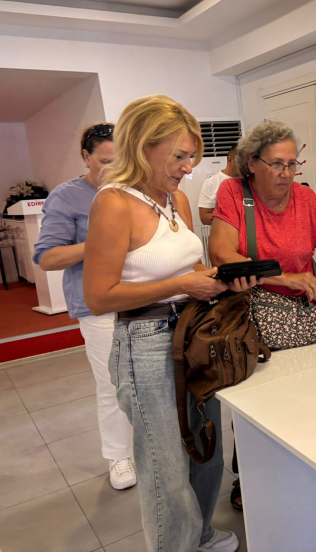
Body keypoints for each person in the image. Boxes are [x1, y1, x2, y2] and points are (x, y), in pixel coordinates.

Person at [84, 95, 246, 552]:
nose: (188, 168)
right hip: (146, 343)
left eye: (191, 157)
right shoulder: (114, 203)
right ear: (143, 146)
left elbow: (190, 266)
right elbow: (98, 296)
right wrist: (181, 284)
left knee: (205, 449)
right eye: (179, 156)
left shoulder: (176, 199)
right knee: (166, 466)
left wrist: (219, 279)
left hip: (193, 334)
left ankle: (200, 535)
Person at [32, 123, 137, 491]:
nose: (114, 169)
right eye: (106, 161)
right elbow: (47, 258)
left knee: (150, 380)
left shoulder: (134, 188)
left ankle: (152, 445)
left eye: (121, 160)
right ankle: (119, 455)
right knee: (113, 383)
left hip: (143, 297)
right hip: (98, 305)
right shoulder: (67, 197)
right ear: (86, 157)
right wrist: (102, 240)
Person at [209, 119, 316, 311]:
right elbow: (221, 255)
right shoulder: (233, 192)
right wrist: (285, 278)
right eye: (276, 164)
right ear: (252, 163)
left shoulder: (305, 198)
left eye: (292, 164)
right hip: (249, 313)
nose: (286, 173)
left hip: (301, 314)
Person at [198, 144, 240, 225]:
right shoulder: (211, 182)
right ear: (230, 160)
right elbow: (204, 217)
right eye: (242, 162)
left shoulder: (252, 181)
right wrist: (234, 220)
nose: (246, 166)